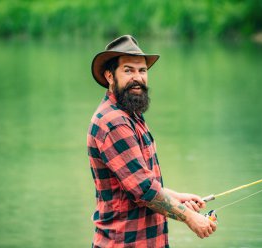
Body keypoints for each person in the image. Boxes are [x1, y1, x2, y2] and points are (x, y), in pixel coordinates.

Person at [87, 35, 217, 248]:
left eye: (142, 71)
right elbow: (144, 189)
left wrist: (178, 198)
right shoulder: (114, 122)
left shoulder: (131, 114)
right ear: (110, 76)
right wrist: (190, 218)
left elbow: (140, 181)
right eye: (128, 70)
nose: (137, 77)